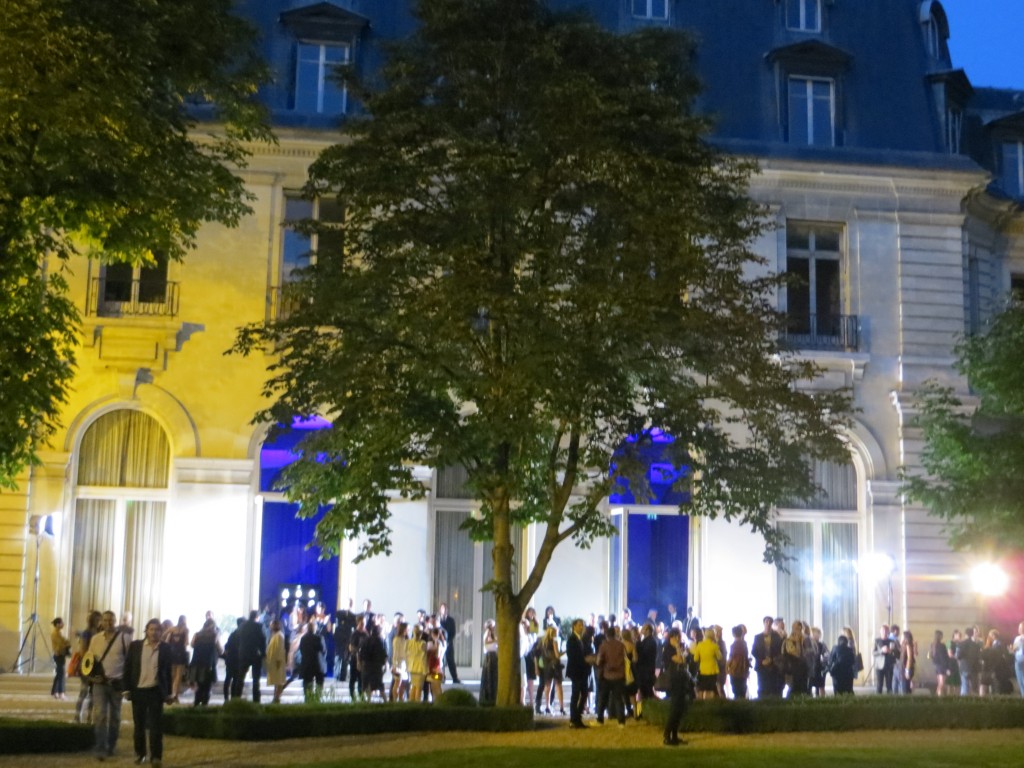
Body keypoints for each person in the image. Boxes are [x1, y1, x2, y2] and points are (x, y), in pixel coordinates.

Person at [125, 618, 173, 768]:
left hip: (155, 691)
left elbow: (167, 672)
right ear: (146, 631)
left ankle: (156, 757)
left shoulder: (165, 648)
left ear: (161, 632)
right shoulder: (135, 646)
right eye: (151, 629)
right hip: (138, 690)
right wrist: (126, 688)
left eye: (157, 630)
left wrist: (169, 693)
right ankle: (140, 754)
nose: (154, 633)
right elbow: (128, 667)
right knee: (139, 725)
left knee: (156, 726)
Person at [88, 610, 130, 761]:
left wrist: (127, 684)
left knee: (115, 717)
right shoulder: (95, 639)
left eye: (111, 620)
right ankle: (100, 747)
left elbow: (129, 662)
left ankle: (111, 745)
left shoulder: (125, 639)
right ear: (101, 622)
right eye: (105, 620)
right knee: (99, 715)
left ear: (115, 621)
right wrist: (92, 677)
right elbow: (89, 660)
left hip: (117, 683)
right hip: (100, 683)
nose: (108, 623)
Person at [661, 626, 694, 746]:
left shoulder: (680, 647)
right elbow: (680, 660)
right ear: (672, 637)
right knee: (674, 708)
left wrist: (682, 650)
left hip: (681, 680)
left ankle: (674, 735)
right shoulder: (669, 649)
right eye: (678, 636)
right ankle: (667, 735)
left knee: (680, 708)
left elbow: (686, 660)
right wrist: (677, 647)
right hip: (674, 681)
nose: (680, 639)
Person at [596, 625, 627, 726]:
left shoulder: (604, 645)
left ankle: (600, 720)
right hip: (619, 675)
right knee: (618, 699)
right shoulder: (621, 645)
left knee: (603, 698)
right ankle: (621, 721)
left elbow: (599, 660)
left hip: (607, 675)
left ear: (606, 635)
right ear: (615, 634)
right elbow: (625, 659)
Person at [75, 610, 102, 724]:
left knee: (93, 693)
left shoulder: (100, 633)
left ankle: (89, 717)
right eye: (99, 619)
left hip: (96, 666)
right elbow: (82, 651)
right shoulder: (86, 633)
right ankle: (77, 716)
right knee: (84, 691)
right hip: (87, 665)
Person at [233, 610, 266, 701]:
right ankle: (256, 699)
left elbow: (237, 639)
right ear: (257, 617)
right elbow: (262, 641)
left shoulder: (242, 626)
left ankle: (237, 698)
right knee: (256, 679)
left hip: (243, 653)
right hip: (255, 654)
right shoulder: (258, 626)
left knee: (240, 678)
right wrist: (263, 654)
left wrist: (239, 649)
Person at [188, 618, 222, 706]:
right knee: (207, 687)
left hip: (197, 662)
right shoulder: (215, 635)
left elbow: (191, 645)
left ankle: (196, 704)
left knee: (199, 686)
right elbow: (221, 650)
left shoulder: (197, 635)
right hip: (208, 664)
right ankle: (204, 705)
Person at [565, 618, 591, 728]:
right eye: (579, 625)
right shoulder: (571, 639)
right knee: (575, 695)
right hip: (576, 671)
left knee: (584, 693)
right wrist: (585, 660)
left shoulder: (582, 639)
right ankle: (573, 719)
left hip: (583, 671)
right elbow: (573, 656)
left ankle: (577, 717)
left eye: (583, 625)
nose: (582, 627)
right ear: (574, 626)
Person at [751, 615, 782, 698]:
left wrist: (771, 659)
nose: (768, 624)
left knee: (772, 687)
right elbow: (754, 651)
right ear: (763, 623)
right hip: (761, 666)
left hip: (773, 666)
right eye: (766, 622)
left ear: (772, 623)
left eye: (770, 622)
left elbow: (779, 651)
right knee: (761, 687)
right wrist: (762, 660)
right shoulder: (757, 637)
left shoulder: (776, 637)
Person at [692, 625, 722, 700]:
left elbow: (695, 659)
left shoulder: (700, 645)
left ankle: (701, 702)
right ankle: (710, 703)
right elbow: (720, 657)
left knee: (702, 688)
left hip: (702, 670)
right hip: (713, 670)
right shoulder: (714, 646)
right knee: (711, 688)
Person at [299, 617, 326, 701]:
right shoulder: (319, 638)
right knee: (319, 683)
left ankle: (308, 699)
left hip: (307, 664)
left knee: (307, 684)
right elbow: (323, 650)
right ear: (315, 628)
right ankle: (317, 699)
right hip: (318, 664)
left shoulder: (303, 639)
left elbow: (301, 650)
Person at [164, 614, 189, 704]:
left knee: (172, 675)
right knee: (178, 676)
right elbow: (186, 642)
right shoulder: (186, 630)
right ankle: (176, 695)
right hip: (181, 653)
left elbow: (165, 637)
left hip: (172, 652)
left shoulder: (172, 629)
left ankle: (170, 693)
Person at [333, 599, 357, 682]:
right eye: (348, 603)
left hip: (347, 639)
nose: (349, 604)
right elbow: (338, 624)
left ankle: (343, 676)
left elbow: (353, 626)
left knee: (345, 658)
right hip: (339, 638)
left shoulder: (353, 616)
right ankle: (336, 674)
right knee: (337, 657)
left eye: (350, 603)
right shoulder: (339, 613)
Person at [438, 602, 461, 684]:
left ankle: (455, 678)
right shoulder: (438, 620)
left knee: (451, 661)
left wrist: (447, 641)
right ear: (440, 610)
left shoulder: (451, 620)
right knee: (441, 662)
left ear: (447, 610)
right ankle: (442, 678)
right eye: (442, 609)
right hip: (440, 645)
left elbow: (453, 632)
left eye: (445, 608)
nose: (443, 610)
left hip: (448, 644)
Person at [222, 617, 244, 700]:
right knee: (235, 680)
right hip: (237, 660)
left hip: (230, 659)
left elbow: (226, 646)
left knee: (228, 679)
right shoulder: (242, 635)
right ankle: (233, 698)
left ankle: (226, 698)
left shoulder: (233, 634)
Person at [266, 619, 287, 703]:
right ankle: (275, 697)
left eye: (271, 625)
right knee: (276, 681)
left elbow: (279, 650)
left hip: (277, 663)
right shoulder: (275, 635)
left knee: (278, 681)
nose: (270, 626)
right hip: (274, 662)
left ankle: (277, 697)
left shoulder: (279, 636)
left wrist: (278, 661)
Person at [727, 624, 750, 699]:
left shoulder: (734, 645)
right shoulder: (744, 644)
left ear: (733, 634)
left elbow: (731, 657)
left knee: (736, 690)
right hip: (743, 670)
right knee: (742, 688)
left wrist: (727, 667)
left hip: (735, 670)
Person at [51, 617, 70, 700]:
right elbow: (62, 644)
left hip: (60, 654)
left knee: (59, 674)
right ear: (58, 624)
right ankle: (61, 692)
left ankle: (55, 692)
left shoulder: (59, 632)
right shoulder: (56, 633)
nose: (63, 624)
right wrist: (67, 643)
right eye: (62, 623)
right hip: (59, 655)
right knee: (61, 674)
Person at [480, 619, 498, 706]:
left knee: (493, 677)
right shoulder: (488, 632)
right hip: (490, 656)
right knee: (489, 676)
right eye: (493, 626)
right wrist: (495, 641)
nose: (494, 628)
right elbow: (486, 642)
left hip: (494, 655)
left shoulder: (493, 634)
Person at [873, 624, 895, 694]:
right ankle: (878, 701)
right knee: (879, 685)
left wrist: (891, 651)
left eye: (886, 630)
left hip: (889, 665)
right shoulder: (876, 640)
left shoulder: (892, 641)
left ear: (888, 631)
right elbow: (873, 653)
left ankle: (890, 701)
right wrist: (881, 651)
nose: (884, 632)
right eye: (883, 630)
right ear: (880, 631)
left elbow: (896, 653)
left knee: (889, 685)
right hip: (879, 666)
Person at [929, 629, 950, 696]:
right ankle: (939, 697)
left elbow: (931, 656)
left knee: (939, 683)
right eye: (942, 635)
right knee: (942, 683)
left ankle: (937, 696)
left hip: (936, 666)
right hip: (942, 666)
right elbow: (943, 657)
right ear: (940, 636)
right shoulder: (942, 646)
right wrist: (947, 668)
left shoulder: (932, 645)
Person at [1012, 621, 1024, 698]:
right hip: (1018, 660)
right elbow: (1014, 649)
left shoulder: (1019, 638)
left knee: (1022, 679)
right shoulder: (1017, 638)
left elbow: (1014, 648)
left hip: (1020, 660)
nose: (1019, 629)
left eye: (1020, 627)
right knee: (1020, 680)